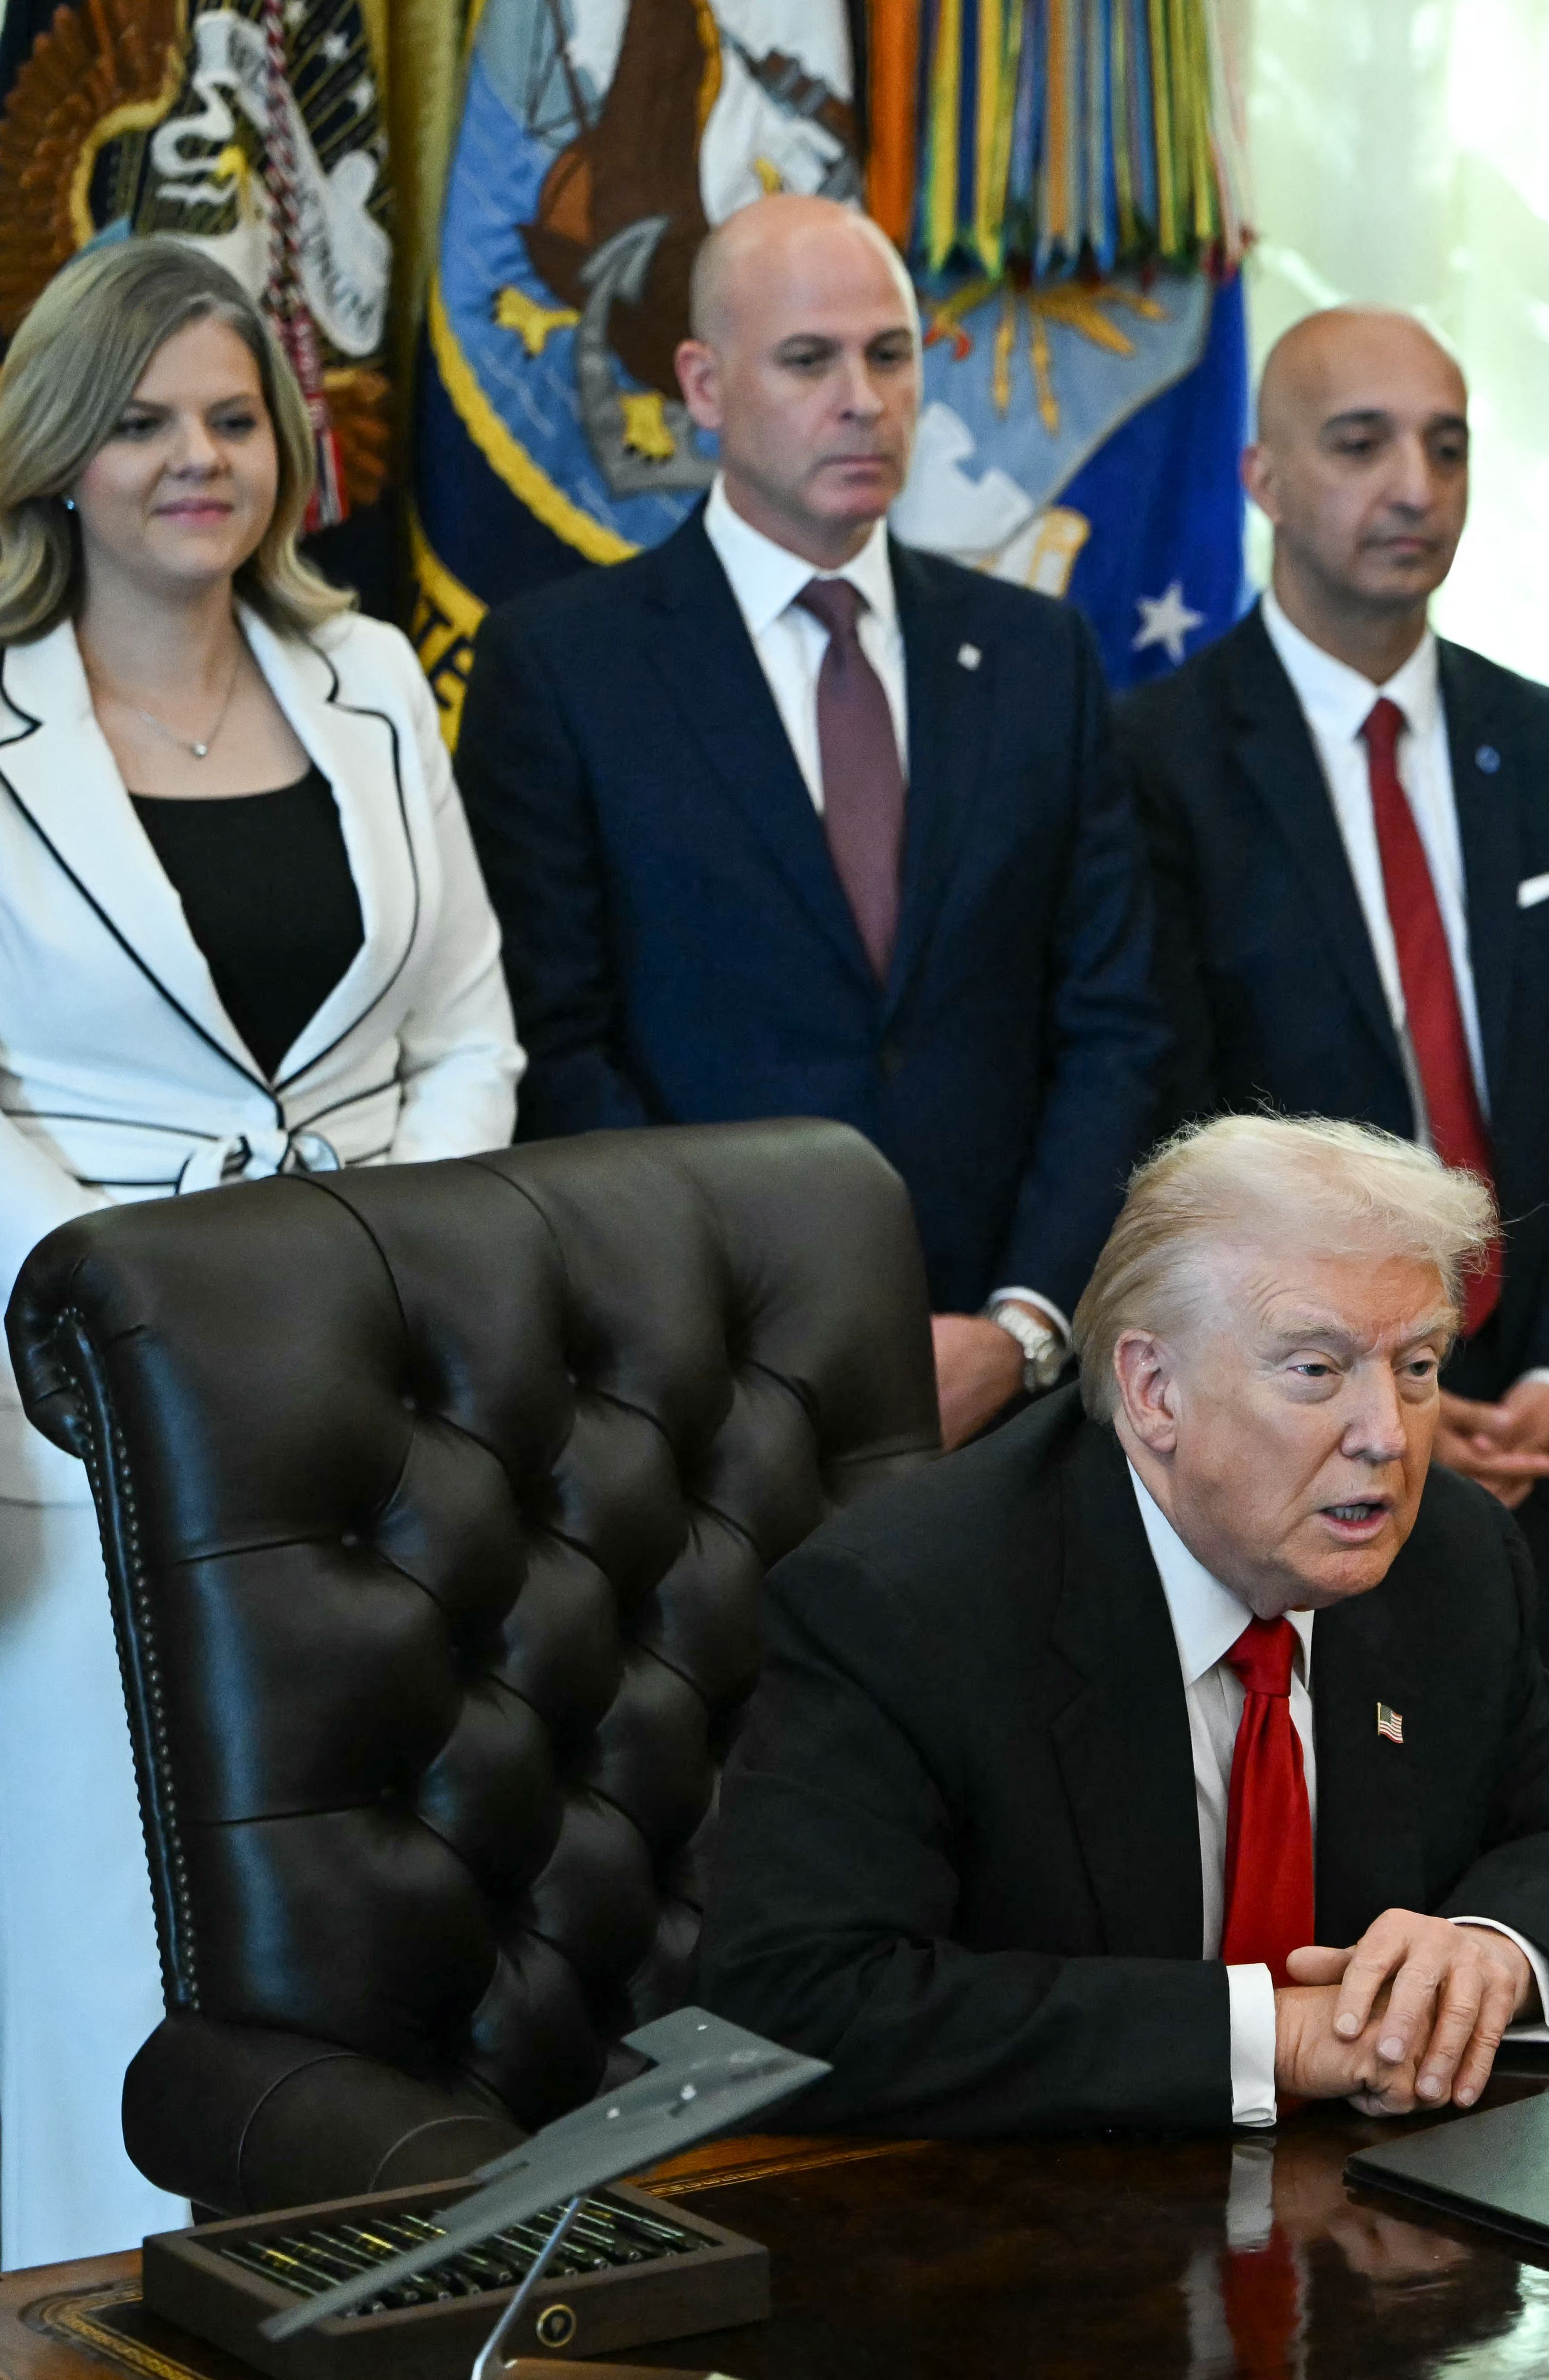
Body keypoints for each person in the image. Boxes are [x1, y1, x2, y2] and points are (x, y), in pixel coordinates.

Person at [0, 241, 521, 2265]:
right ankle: (71, 2299)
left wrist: (397, 1267)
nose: (194, 459)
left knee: (373, 1875)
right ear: (61, 453)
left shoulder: (369, 675)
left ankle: (361, 2281)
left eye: (231, 417)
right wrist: (149, 1306)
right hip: (81, 1387)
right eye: (141, 422)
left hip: (386, 1381)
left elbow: (466, 1028)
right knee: (108, 1894)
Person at [698, 1113, 1549, 2130]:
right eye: (1316, 1370)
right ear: (1154, 1390)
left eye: (1419, 1366)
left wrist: (1487, 1955)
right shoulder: (907, 1604)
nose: (1388, 1435)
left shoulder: (1449, 1556)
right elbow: (797, 2002)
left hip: (1363, 2194)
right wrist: (1273, 2037)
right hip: (1033, 2201)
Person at [459, 193, 1161, 1448]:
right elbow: (553, 1048)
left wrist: (1023, 1326)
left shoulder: (1037, 657)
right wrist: (746, 1326)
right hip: (698, 1395)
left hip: (1008, 1400)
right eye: (807, 360)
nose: (863, 400)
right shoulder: (562, 668)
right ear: (703, 384)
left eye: (890, 355)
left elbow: (1114, 1026)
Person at [1113, 308, 1549, 1673]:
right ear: (1263, 478)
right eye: (1361, 445)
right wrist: (1388, 1388)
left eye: (1446, 447)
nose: (1415, 487)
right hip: (1291, 1435)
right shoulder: (1157, 759)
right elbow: (1170, 1126)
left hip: (1537, 1430)